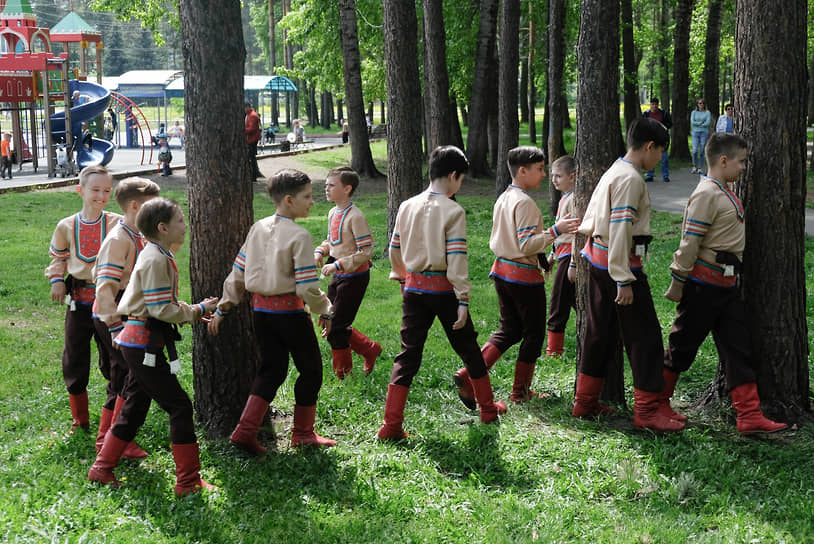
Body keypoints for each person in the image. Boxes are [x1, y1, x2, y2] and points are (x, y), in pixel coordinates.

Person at [88, 197, 219, 496]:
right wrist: (197, 309)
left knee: (135, 405)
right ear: (162, 227)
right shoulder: (156, 258)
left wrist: (192, 309)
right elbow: (161, 309)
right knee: (180, 406)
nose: (185, 225)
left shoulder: (156, 253)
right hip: (142, 345)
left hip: (139, 342)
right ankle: (187, 482)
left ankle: (101, 468)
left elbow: (161, 304)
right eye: (180, 221)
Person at [661, 133, 787, 434]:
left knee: (738, 348)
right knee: (682, 347)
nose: (744, 167)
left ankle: (749, 415)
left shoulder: (724, 190)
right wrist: (678, 278)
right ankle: (654, 404)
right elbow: (690, 241)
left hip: (727, 288)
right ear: (723, 160)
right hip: (703, 288)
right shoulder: (707, 194)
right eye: (741, 161)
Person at [378, 145, 506, 440]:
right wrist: (463, 299)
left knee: (407, 355)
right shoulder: (453, 210)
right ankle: (487, 409)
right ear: (453, 175)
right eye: (460, 180)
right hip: (445, 291)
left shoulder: (406, 205)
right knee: (469, 349)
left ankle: (391, 425)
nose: (459, 185)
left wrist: (401, 277)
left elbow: (394, 248)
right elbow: (457, 258)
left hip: (413, 288)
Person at [209, 169, 338, 454]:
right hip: (291, 316)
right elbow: (306, 287)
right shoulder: (300, 236)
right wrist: (326, 309)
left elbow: (238, 272)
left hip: (262, 315)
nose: (312, 202)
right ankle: (303, 434)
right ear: (289, 200)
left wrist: (224, 306)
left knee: (272, 370)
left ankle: (244, 431)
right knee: (312, 371)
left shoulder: (258, 228)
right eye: (307, 196)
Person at [572, 117, 684, 432]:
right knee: (645, 338)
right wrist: (623, 277)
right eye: (660, 152)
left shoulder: (616, 169)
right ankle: (647, 411)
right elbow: (621, 228)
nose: (659, 158)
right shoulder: (631, 178)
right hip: (617, 265)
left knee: (599, 334)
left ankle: (585, 402)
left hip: (596, 259)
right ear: (649, 147)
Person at [452, 146, 579, 409]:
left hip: (501, 272)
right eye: (540, 169)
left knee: (508, 330)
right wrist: (556, 230)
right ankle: (520, 392)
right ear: (522, 171)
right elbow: (526, 245)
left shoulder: (505, 197)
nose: (544, 175)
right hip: (523, 277)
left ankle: (469, 374)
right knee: (533, 334)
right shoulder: (525, 203)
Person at [45, 165, 121, 432]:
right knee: (75, 355)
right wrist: (57, 280)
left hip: (109, 302)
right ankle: (80, 419)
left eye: (107, 190)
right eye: (95, 190)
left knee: (113, 356)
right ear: (81, 190)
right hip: (77, 301)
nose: (101, 195)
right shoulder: (66, 226)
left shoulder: (116, 223)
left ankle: (112, 419)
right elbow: (59, 258)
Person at [91, 177, 161, 459]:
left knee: (125, 376)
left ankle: (113, 438)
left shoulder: (138, 235)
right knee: (128, 376)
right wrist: (114, 327)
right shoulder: (118, 240)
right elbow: (105, 288)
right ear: (134, 206)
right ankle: (111, 441)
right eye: (152, 204)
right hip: (113, 315)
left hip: (127, 311)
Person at [314, 167, 381, 379]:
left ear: (347, 189)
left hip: (355, 277)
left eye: (331, 185)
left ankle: (343, 375)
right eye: (326, 185)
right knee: (328, 319)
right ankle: (369, 349)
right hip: (339, 275)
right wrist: (321, 251)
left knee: (336, 325)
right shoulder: (333, 212)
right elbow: (333, 242)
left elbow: (366, 251)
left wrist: (337, 264)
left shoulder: (356, 216)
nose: (326, 188)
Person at [545, 155, 578, 356]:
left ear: (572, 177)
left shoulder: (574, 199)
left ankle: (553, 350)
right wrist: (551, 255)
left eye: (558, 176)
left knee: (558, 301)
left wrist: (573, 262)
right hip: (562, 256)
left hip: (569, 259)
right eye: (552, 176)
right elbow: (560, 233)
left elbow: (576, 233)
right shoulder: (564, 197)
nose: (554, 180)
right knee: (574, 299)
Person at [642, 98, 672, 183]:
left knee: (664, 158)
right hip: (650, 139)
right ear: (650, 105)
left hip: (662, 138)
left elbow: (670, 123)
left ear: (658, 105)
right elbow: (643, 125)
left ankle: (665, 175)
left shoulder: (664, 113)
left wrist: (663, 127)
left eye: (656, 104)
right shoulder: (646, 114)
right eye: (653, 104)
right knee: (650, 157)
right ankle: (650, 175)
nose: (654, 106)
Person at [690, 98, 712, 174]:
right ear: (697, 104)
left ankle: (700, 167)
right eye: (699, 103)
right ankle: (694, 166)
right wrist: (701, 123)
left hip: (704, 133)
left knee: (702, 150)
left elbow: (708, 123)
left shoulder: (707, 112)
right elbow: (692, 122)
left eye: (702, 103)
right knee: (695, 150)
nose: (701, 104)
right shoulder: (694, 112)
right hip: (695, 133)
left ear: (704, 104)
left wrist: (698, 123)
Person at [244, 102, 263, 179]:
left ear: (248, 107)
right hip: (251, 138)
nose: (244, 110)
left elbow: (252, 129)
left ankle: (254, 176)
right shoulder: (249, 115)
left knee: (252, 157)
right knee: (251, 157)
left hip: (252, 139)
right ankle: (253, 174)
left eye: (244, 108)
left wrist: (242, 130)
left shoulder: (253, 116)